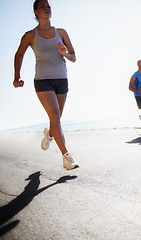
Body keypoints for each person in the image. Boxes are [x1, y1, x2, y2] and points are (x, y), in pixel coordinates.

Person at [13, 0, 79, 170]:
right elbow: (19, 55)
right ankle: (66, 156)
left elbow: (73, 57)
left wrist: (65, 53)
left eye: (48, 6)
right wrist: (17, 76)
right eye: (42, 6)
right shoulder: (30, 35)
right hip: (43, 80)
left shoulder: (61, 32)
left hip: (61, 79)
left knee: (56, 120)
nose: (46, 8)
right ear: (36, 11)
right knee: (55, 117)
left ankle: (49, 135)